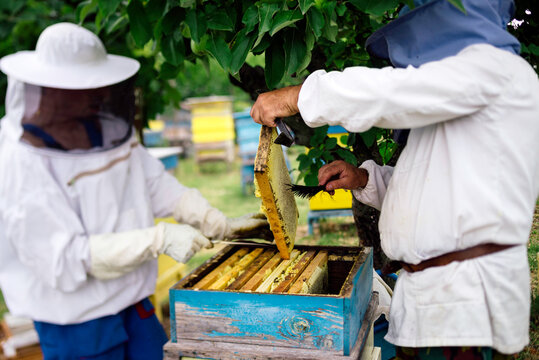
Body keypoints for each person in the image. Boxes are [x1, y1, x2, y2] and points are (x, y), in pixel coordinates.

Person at [251, 0, 539, 358]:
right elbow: (430, 190)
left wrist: (299, 96)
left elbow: (388, 93)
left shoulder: (495, 70)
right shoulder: (453, 97)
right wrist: (360, 179)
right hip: (433, 302)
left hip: (464, 306)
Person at [0, 22, 269, 359]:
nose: (97, 97)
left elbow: (154, 182)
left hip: (134, 302)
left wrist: (216, 221)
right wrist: (160, 240)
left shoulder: (107, 129)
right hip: (76, 321)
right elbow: (65, 257)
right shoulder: (18, 159)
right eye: (86, 89)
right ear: (54, 91)